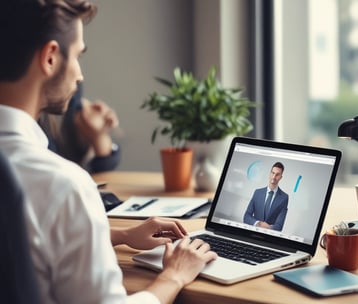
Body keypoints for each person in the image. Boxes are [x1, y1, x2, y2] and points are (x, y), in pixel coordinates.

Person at [0, 1, 217, 304]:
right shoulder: (64, 187)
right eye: (77, 55)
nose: (80, 75)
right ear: (50, 58)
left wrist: (120, 235)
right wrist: (174, 275)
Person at [39, 83, 121, 173]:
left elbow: (103, 170)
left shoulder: (50, 149)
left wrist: (100, 138)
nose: (101, 107)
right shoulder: (74, 92)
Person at [243, 162, 289, 231]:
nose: (274, 177)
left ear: (281, 177)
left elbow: (279, 226)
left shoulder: (284, 198)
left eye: (277, 175)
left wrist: (268, 228)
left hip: (268, 238)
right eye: (273, 173)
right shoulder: (257, 193)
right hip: (253, 233)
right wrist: (259, 223)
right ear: (270, 173)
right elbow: (246, 217)